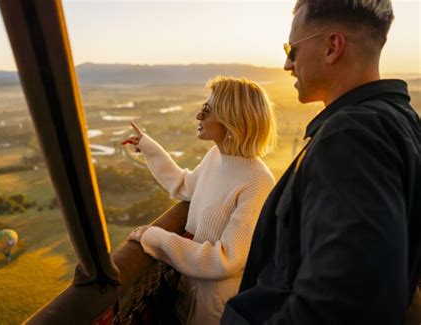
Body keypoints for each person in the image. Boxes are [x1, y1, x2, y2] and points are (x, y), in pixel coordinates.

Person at [221, 0, 421, 324]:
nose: (287, 64)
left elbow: (347, 303)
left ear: (332, 47)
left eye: (292, 49)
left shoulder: (351, 136)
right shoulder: (401, 120)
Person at [123, 76, 277, 324]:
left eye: (206, 110)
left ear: (232, 118)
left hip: (216, 308)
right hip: (189, 291)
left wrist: (156, 236)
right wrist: (149, 148)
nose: (198, 116)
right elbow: (185, 186)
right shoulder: (215, 157)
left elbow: (224, 260)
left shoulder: (256, 182)